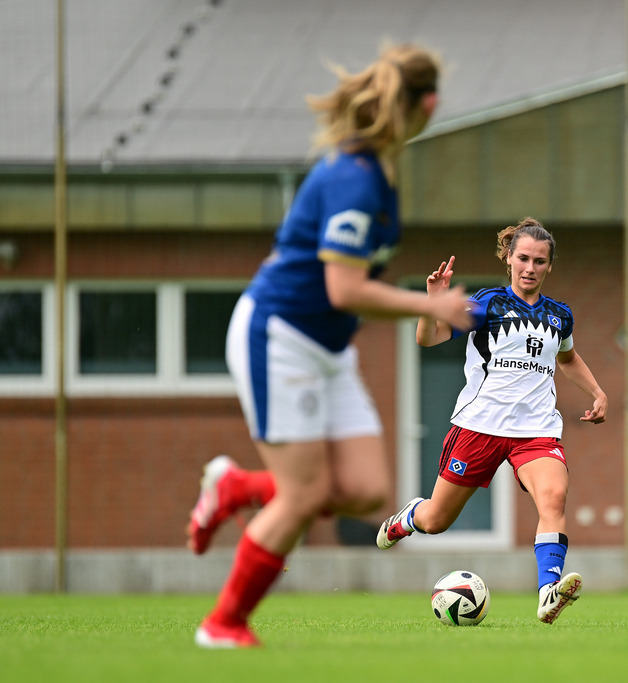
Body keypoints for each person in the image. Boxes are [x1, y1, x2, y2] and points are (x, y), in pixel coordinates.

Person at [190, 43, 473, 649]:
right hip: (281, 336)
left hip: (328, 350)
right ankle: (223, 625)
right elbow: (343, 288)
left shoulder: (378, 171)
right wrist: (430, 305)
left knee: (369, 491)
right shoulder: (353, 176)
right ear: (428, 104)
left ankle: (238, 488)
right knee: (304, 497)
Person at [376, 217, 608, 625]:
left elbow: (567, 358)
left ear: (549, 266)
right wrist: (433, 301)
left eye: (539, 261)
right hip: (479, 428)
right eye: (523, 258)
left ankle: (547, 592)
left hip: (536, 432)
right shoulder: (487, 305)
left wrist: (597, 391)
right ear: (508, 259)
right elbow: (427, 338)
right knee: (437, 520)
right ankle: (410, 516)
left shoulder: (559, 316)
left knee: (553, 497)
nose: (530, 267)